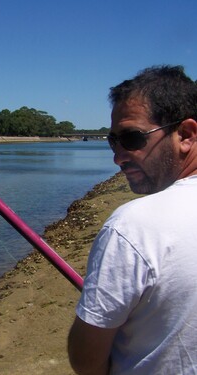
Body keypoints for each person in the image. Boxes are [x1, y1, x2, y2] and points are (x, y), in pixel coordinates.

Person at [67, 65, 197, 374]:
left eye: (132, 138)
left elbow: (86, 361)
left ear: (186, 135)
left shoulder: (132, 226)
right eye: (113, 141)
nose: (118, 156)